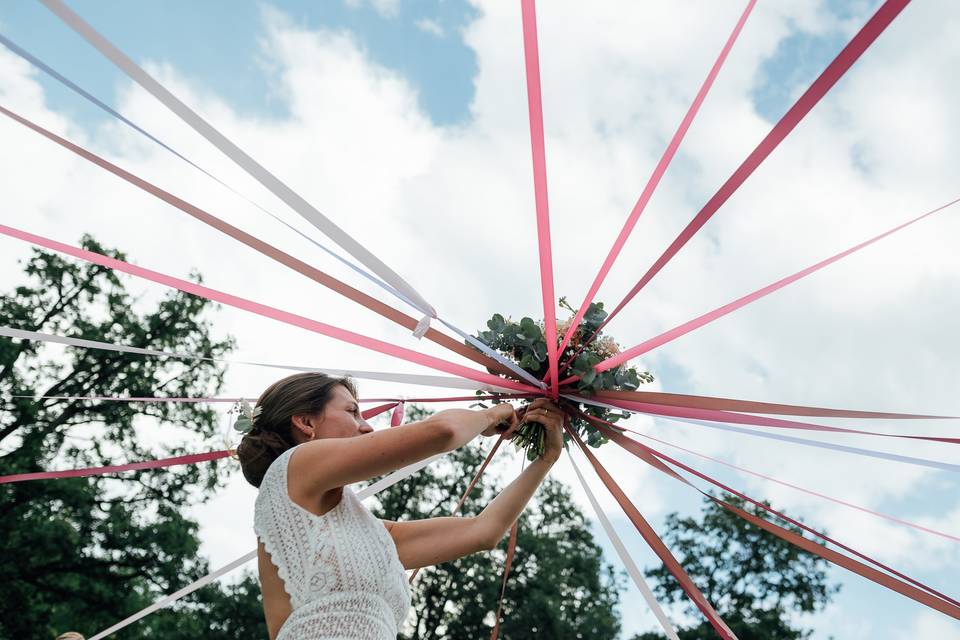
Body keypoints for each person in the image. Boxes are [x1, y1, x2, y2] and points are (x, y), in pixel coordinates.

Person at [237, 372, 564, 640]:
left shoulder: (370, 537)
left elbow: (484, 531)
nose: (366, 426)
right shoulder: (295, 466)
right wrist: (492, 415)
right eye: (352, 412)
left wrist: (546, 459)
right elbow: (444, 431)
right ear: (306, 422)